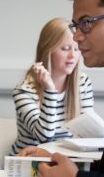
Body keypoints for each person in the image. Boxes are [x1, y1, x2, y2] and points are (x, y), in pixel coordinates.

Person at [19, 0, 104, 177]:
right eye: (76, 26)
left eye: (87, 22)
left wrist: (74, 176)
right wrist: (59, 160)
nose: (77, 37)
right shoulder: (25, 89)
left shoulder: (82, 82)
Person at [10, 17, 94, 155]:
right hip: (29, 164)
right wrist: (50, 90)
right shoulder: (24, 91)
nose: (73, 55)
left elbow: (86, 132)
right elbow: (44, 136)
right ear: (48, 51)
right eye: (65, 49)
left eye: (76, 48)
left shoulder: (83, 83)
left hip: (65, 161)